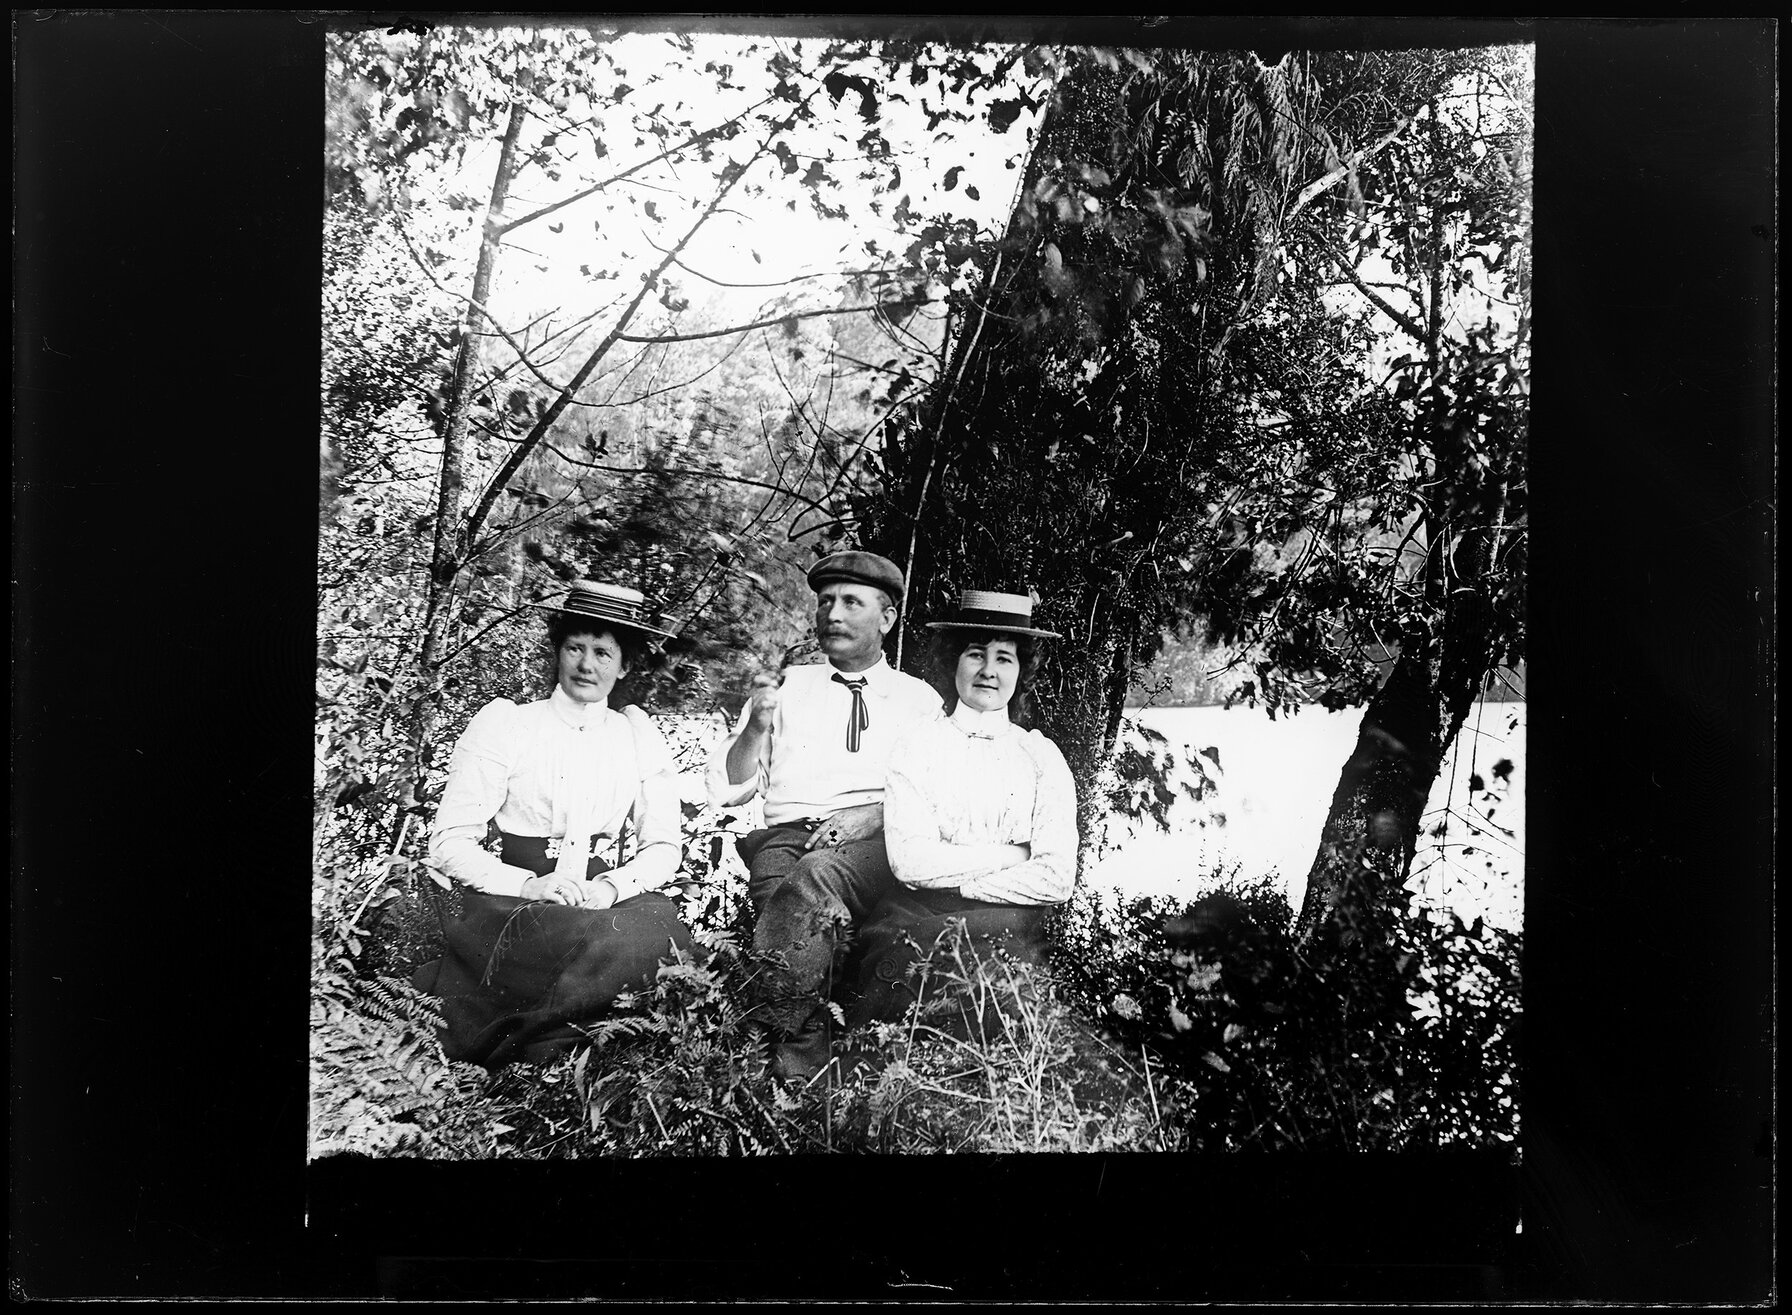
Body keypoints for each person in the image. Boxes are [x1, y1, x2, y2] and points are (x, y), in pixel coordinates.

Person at [413, 580, 693, 1069]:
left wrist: (611, 887)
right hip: (515, 898)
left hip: (599, 897)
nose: (587, 665)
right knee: (595, 943)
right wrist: (527, 885)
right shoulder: (509, 724)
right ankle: (547, 1046)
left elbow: (665, 846)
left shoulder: (635, 735)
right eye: (575, 648)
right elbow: (449, 842)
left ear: (624, 664)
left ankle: (563, 1043)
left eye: (603, 653)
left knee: (661, 931)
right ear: (557, 652)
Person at [705, 550, 942, 1081]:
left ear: (887, 618)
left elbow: (937, 797)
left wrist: (875, 814)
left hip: (873, 845)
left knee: (812, 893)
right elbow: (729, 789)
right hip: (787, 838)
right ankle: (812, 1069)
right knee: (786, 910)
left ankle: (794, 1067)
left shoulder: (919, 701)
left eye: (851, 602)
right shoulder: (787, 688)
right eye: (826, 601)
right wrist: (755, 727)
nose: (832, 613)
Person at [849, 589, 1078, 1034]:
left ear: (1021, 670)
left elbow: (1056, 877)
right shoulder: (918, 744)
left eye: (1004, 658)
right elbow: (910, 864)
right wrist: (1013, 855)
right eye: (976, 654)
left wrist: (966, 884)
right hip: (913, 908)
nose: (989, 671)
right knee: (892, 966)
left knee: (994, 996)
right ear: (954, 661)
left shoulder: (1040, 755)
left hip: (1009, 917)